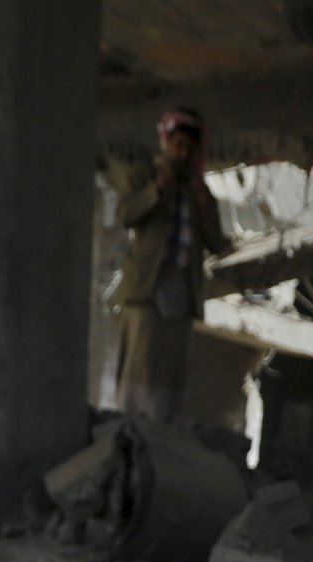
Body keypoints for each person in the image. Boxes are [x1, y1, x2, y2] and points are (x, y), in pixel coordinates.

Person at [112, 106, 230, 424]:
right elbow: (125, 216)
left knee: (168, 368)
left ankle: (161, 430)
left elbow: (218, 244)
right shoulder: (144, 175)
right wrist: (156, 190)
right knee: (140, 363)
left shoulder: (200, 192)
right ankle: (128, 424)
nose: (184, 153)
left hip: (181, 290)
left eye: (190, 149)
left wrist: (205, 208)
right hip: (147, 287)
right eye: (178, 145)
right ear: (166, 143)